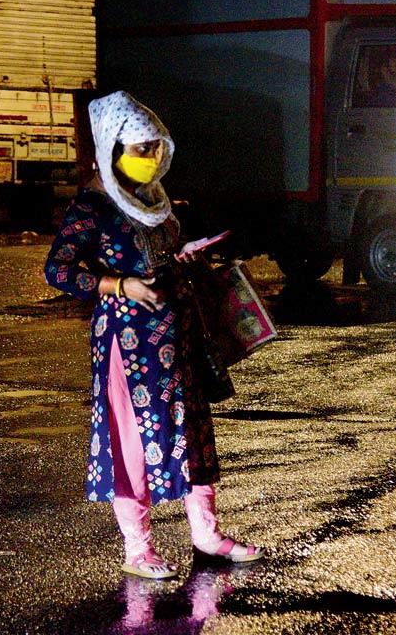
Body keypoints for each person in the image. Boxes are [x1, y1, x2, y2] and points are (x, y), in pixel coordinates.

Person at [43, 91, 265, 579]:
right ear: (112, 149)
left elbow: (159, 256)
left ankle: (206, 535)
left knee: (192, 433)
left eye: (156, 148)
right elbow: (57, 271)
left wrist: (185, 257)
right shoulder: (93, 207)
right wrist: (119, 284)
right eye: (141, 149)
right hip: (129, 346)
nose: (151, 158)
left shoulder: (157, 203)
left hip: (178, 336)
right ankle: (138, 548)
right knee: (133, 441)